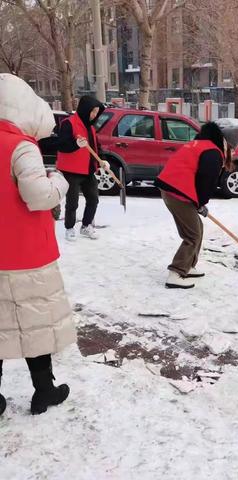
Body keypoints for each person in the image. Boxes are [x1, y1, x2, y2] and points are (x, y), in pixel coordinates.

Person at [0, 74, 77, 416]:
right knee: (36, 324)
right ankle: (44, 391)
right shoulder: (21, 146)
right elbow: (39, 196)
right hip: (26, 255)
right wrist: (58, 181)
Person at [155, 122, 238, 289]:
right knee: (192, 235)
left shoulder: (200, 145)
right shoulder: (212, 152)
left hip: (171, 189)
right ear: (224, 142)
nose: (231, 151)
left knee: (197, 228)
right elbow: (206, 182)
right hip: (177, 192)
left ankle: (188, 266)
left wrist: (199, 203)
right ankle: (176, 272)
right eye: (231, 147)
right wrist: (200, 203)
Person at [56, 95, 106, 242]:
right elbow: (61, 145)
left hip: (88, 169)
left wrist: (103, 160)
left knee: (93, 199)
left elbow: (97, 146)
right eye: (93, 111)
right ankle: (69, 228)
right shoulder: (68, 123)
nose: (94, 115)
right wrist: (76, 144)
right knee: (72, 202)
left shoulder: (90, 127)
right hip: (71, 170)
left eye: (97, 112)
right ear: (85, 109)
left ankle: (85, 226)